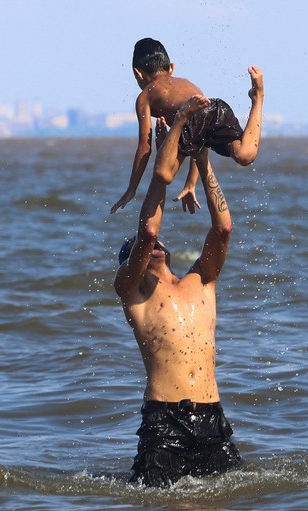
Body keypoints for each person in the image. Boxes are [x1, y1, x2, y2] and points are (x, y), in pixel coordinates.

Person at [113, 144, 240, 488]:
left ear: (167, 252)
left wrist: (203, 162)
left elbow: (224, 227)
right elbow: (148, 233)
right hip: (163, 420)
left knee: (227, 509)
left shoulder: (202, 281)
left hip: (212, 419)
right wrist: (162, 171)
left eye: (153, 245)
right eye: (137, 251)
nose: (149, 246)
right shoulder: (134, 293)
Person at [110, 37, 264, 215]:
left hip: (187, 121)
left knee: (163, 175)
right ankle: (258, 98)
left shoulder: (145, 96)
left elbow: (145, 146)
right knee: (245, 156)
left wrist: (132, 188)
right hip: (216, 108)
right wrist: (191, 183)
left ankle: (180, 119)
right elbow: (199, 138)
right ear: (172, 68)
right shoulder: (188, 84)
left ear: (138, 73)